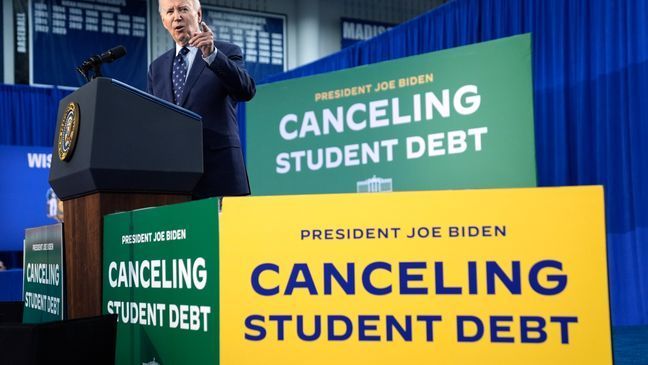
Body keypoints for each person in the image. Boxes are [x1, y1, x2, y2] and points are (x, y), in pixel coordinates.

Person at [148, 0, 256, 199]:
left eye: (183, 9)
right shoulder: (157, 68)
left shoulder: (227, 52)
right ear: (164, 21)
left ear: (198, 15)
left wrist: (213, 55)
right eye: (170, 11)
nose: (177, 16)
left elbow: (246, 90)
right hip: (175, 180)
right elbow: (154, 121)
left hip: (220, 175)